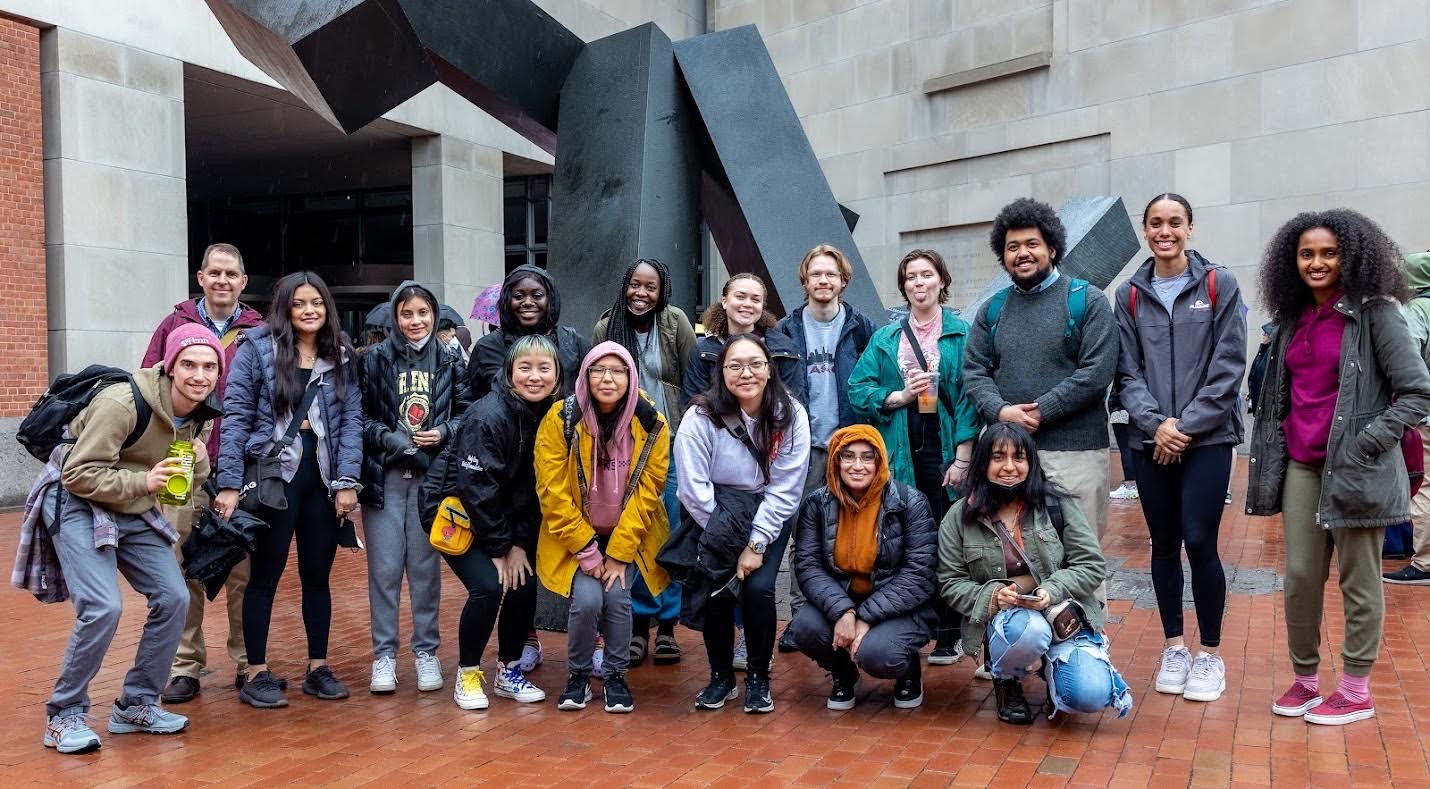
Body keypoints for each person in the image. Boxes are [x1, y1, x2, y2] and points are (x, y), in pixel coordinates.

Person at [1248, 209, 1430, 725]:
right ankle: (1305, 680)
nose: (1318, 263)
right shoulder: (1291, 318)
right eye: (1307, 254)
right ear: (1293, 261)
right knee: (1301, 576)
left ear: (1351, 256)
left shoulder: (1377, 312)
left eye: (1329, 253)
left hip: (1358, 466)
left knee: (1359, 579)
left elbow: (1417, 390)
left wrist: (1368, 441)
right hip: (1303, 467)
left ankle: (1355, 689)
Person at [40, 325, 225, 752]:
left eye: (209, 366)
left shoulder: (202, 413)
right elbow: (78, 474)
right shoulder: (123, 402)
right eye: (190, 364)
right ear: (170, 366)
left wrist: (197, 466)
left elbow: (182, 481)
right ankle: (64, 715)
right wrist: (145, 482)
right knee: (103, 607)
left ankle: (137, 703)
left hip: (133, 506)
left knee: (174, 597)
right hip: (77, 503)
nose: (199, 375)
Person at [1114, 193, 1247, 703]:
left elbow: (1229, 365)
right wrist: (1156, 426)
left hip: (1208, 439)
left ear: (1190, 227)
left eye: (1174, 222)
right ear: (1146, 231)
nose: (1164, 230)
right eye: (1155, 223)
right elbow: (1126, 373)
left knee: (1200, 540)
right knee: (1164, 544)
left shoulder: (1219, 285)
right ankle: (1174, 647)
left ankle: (1209, 653)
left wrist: (1182, 428)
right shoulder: (1128, 295)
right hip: (1151, 439)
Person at [214, 271, 364, 709]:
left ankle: (318, 666)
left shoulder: (341, 354)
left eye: (316, 302)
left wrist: (347, 482)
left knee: (317, 575)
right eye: (299, 303)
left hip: (322, 474)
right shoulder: (256, 350)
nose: (309, 310)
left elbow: (351, 422)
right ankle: (256, 671)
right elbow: (235, 416)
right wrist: (227, 484)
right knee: (265, 575)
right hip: (273, 474)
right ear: (285, 307)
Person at [962, 198, 1119, 598]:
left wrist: (1041, 410)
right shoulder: (992, 310)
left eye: (1031, 244)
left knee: (1080, 557)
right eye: (1012, 247)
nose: (1022, 254)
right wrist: (1001, 411)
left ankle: (1086, 651)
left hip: (1075, 452)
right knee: (1007, 553)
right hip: (1007, 455)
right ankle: (1010, 650)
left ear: (1051, 248)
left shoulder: (1088, 301)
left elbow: (1097, 372)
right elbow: (974, 370)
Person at [938, 424, 1131, 725]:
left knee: (1089, 694)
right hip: (1010, 620)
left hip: (1059, 613)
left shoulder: (1055, 503)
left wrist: (1053, 589)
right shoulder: (960, 516)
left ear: (1031, 462)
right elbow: (950, 583)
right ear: (982, 463)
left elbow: (1091, 564)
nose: (1009, 467)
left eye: (1019, 457)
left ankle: (1056, 671)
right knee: (1029, 632)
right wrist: (992, 596)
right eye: (998, 457)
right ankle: (1007, 678)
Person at [140, 243, 265, 704]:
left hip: (240, 467)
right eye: (215, 272)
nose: (223, 281)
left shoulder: (259, 332)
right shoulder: (174, 326)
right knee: (182, 568)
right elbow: (149, 388)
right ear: (200, 276)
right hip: (182, 465)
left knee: (241, 569)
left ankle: (247, 659)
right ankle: (185, 666)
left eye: (231, 274)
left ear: (243, 281)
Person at [847, 249, 979, 665]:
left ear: (942, 280)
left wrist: (962, 458)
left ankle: (948, 631)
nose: (919, 283)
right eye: (911, 277)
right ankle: (908, 623)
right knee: (904, 539)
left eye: (927, 275)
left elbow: (971, 400)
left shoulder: (961, 333)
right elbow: (857, 389)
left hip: (944, 448)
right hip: (899, 448)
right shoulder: (886, 338)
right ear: (903, 286)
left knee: (948, 537)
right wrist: (897, 396)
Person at [534, 342, 672, 714]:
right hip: (576, 536)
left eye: (618, 370)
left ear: (631, 376)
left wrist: (618, 554)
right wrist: (589, 551)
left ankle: (615, 676)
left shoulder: (651, 422)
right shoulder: (561, 419)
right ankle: (577, 675)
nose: (607, 378)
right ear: (585, 374)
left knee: (618, 599)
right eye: (598, 370)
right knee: (588, 599)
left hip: (625, 535)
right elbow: (552, 494)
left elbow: (649, 493)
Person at [677, 334, 811, 713]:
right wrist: (727, 538)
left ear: (770, 369)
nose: (746, 373)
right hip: (716, 511)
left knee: (759, 589)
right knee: (717, 588)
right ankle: (720, 677)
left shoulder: (791, 413)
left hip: (768, 509)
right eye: (735, 365)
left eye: (755, 364)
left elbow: (786, 487)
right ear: (721, 372)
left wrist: (755, 545)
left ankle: (757, 677)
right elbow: (693, 488)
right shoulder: (700, 416)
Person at [436, 335, 562, 710]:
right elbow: (477, 488)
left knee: (523, 582)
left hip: (506, 521)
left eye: (544, 368)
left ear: (558, 375)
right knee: (488, 587)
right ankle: (468, 674)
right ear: (509, 373)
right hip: (460, 514)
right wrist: (500, 546)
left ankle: (508, 671)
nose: (534, 377)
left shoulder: (551, 416)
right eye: (525, 368)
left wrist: (518, 544)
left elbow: (534, 490)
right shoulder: (487, 415)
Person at [358, 281, 472, 695]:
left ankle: (426, 653)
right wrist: (388, 437)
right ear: (395, 317)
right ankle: (383, 656)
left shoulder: (452, 360)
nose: (415, 321)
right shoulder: (371, 361)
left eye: (423, 312)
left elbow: (466, 415)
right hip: (385, 477)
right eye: (406, 313)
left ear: (435, 315)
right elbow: (360, 417)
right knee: (385, 570)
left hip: (432, 477)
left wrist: (443, 431)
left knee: (425, 571)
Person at [773, 244, 878, 652]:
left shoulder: (861, 326)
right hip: (804, 449)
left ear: (842, 281)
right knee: (807, 535)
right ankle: (803, 617)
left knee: (854, 530)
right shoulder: (785, 330)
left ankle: (850, 611)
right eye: (815, 274)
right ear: (804, 281)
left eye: (830, 274)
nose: (823, 281)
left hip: (848, 445)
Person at [592, 258, 696, 666]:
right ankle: (638, 624)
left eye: (650, 287)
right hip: (623, 449)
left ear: (662, 290)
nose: (641, 293)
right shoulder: (606, 327)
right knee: (630, 534)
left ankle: (668, 624)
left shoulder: (674, 323)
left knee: (667, 530)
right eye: (635, 284)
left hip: (667, 447)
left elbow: (695, 380)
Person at [791, 425, 936, 710]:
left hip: (899, 605)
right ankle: (843, 673)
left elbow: (919, 573)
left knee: (879, 654)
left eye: (867, 457)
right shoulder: (816, 504)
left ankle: (907, 671)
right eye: (848, 457)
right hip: (843, 598)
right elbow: (808, 565)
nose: (857, 466)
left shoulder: (910, 502)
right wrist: (843, 611)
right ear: (835, 461)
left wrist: (864, 617)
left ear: (880, 461)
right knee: (804, 628)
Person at [681, 273, 806, 411]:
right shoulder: (703, 352)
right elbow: (693, 407)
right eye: (740, 297)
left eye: (755, 300)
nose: (747, 304)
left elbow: (794, 408)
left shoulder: (785, 349)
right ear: (724, 301)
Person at [469, 264, 590, 401]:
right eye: (519, 296)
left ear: (550, 299)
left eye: (537, 296)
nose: (527, 302)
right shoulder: (486, 347)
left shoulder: (574, 343)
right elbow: (471, 400)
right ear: (507, 300)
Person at [1385, 250, 1430, 585]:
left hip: (1425, 415)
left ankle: (1425, 562)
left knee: (1423, 486)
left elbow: (1405, 358)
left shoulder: (1417, 309)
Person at [1107, 388, 1138, 501]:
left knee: (1125, 446)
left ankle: (1131, 486)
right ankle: (1134, 485)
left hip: (1119, 409)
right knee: (1128, 446)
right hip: (1131, 409)